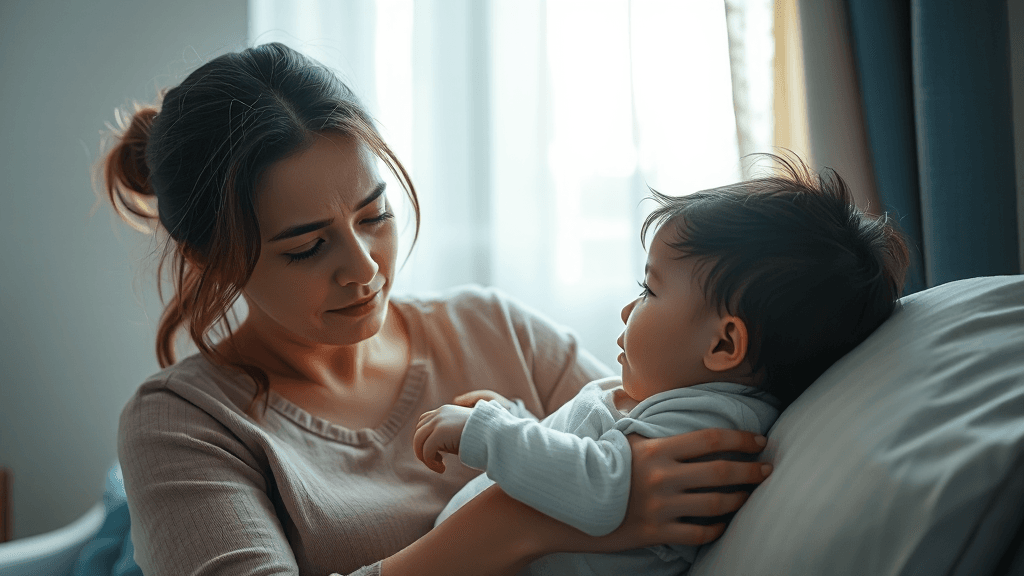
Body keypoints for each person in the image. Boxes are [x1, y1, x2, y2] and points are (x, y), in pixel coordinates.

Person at [101, 42, 774, 576]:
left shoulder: (494, 330)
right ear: (213, 260)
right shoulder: (181, 425)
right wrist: (524, 518)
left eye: (375, 215)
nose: (364, 268)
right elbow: (623, 493)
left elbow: (677, 457)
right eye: (307, 247)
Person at [413, 155, 911, 575]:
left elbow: (601, 488)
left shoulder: (708, 425)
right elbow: (576, 463)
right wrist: (523, 423)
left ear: (724, 345)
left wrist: (491, 433)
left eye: (649, 290)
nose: (629, 310)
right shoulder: (674, 396)